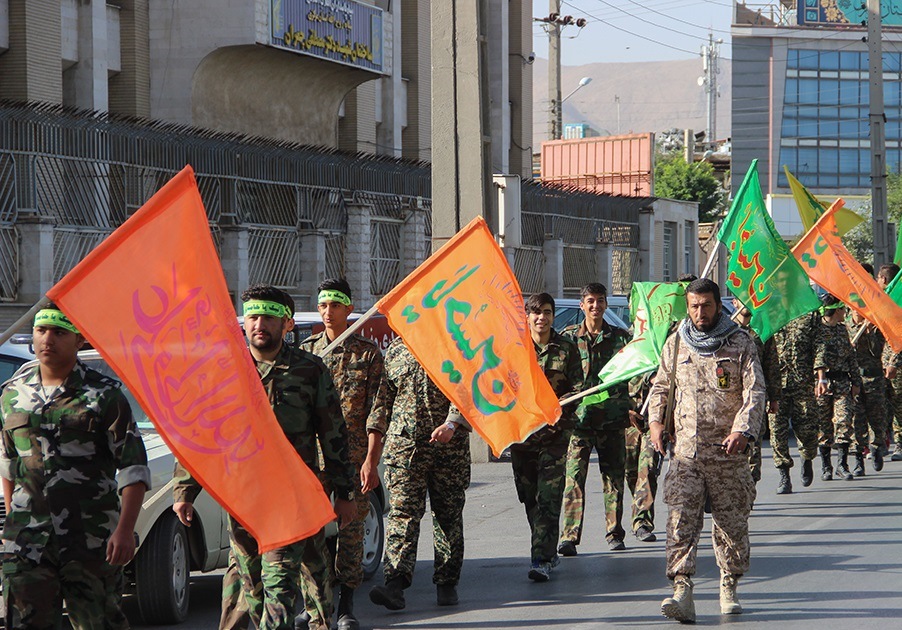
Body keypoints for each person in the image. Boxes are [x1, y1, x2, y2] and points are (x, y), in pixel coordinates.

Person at [172, 285, 357, 630]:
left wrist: (345, 494)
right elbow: (201, 436)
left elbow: (333, 433)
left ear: (285, 323)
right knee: (252, 590)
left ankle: (317, 618)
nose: (259, 324)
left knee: (279, 590)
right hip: (244, 502)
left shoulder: (308, 370)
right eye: (253, 317)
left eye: (268, 317)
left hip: (292, 500)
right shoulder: (225, 371)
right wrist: (185, 491)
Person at [0, 304, 151, 629]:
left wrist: (124, 531)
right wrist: (13, 526)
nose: (48, 339)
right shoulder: (13, 394)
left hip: (91, 541)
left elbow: (133, 469)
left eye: (59, 332)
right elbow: (8, 464)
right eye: (41, 331)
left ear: (79, 340)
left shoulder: (104, 396)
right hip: (28, 544)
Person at [648, 279, 764, 623]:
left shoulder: (740, 342)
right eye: (695, 306)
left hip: (728, 453)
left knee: (731, 524)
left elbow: (755, 391)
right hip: (685, 453)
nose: (700, 312)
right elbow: (660, 386)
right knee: (680, 521)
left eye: (707, 305)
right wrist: (655, 422)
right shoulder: (677, 343)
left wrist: (742, 430)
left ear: (718, 305)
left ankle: (729, 584)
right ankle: (682, 590)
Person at [296, 278, 385, 630]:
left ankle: (347, 604)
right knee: (312, 532)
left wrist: (371, 461)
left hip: (353, 456)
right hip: (313, 459)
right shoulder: (307, 353)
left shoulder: (367, 353)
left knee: (350, 532)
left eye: (335, 305)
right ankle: (317, 605)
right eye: (322, 305)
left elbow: (378, 411)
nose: (328, 312)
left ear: (349, 309)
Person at [368, 337, 470, 611]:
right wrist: (372, 452)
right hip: (404, 448)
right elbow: (382, 403)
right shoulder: (395, 351)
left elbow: (469, 390)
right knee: (402, 516)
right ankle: (395, 585)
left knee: (447, 514)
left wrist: (452, 423)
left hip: (449, 449)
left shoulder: (455, 346)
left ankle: (447, 582)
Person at [511, 294, 582, 582]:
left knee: (549, 498)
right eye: (536, 313)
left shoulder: (566, 348)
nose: (542, 318)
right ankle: (548, 548)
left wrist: (563, 404)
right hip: (523, 437)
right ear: (527, 316)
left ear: (553, 316)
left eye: (547, 313)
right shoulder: (515, 349)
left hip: (554, 435)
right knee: (530, 498)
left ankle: (540, 559)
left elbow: (579, 386)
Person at [558, 283, 632, 555]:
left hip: (612, 420)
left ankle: (614, 532)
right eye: (590, 301)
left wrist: (632, 406)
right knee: (573, 478)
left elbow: (633, 372)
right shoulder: (567, 338)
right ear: (582, 304)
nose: (595, 306)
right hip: (579, 421)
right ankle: (569, 536)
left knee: (613, 478)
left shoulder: (620, 338)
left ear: (605, 305)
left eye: (600, 301)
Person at [732, 299, 781, 489]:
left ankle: (749, 490)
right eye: (741, 298)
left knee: (752, 447)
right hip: (730, 400)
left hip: (754, 399)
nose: (746, 303)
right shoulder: (725, 331)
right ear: (734, 302)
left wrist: (775, 397)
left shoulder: (762, 330)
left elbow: (771, 364)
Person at [771, 298, 819, 491]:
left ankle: (807, 457)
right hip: (776, 383)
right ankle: (784, 474)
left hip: (803, 381)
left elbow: (820, 344)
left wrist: (821, 373)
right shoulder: (769, 312)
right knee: (777, 430)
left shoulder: (809, 311)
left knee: (807, 426)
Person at [813, 294, 860, 482]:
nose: (845, 313)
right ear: (836, 310)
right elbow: (817, 357)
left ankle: (842, 464)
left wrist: (856, 381)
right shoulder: (818, 331)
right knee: (824, 426)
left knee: (843, 421)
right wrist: (820, 379)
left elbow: (851, 357)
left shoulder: (842, 330)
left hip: (841, 382)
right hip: (822, 384)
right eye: (843, 309)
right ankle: (826, 466)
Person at [848, 309, 887, 474]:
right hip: (854, 380)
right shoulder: (845, 327)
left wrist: (870, 332)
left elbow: (878, 352)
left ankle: (877, 447)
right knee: (857, 419)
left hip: (874, 379)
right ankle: (858, 457)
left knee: (876, 417)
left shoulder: (877, 327)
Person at [625, 372, 659, 542]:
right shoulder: (624, 351)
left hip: (653, 422)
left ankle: (642, 522)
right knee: (631, 473)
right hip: (628, 421)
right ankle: (638, 509)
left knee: (648, 469)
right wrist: (624, 409)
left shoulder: (662, 351)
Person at [876, 264, 902, 461]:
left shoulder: (895, 305)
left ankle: (899, 443)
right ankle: (880, 441)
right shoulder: (880, 303)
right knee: (880, 404)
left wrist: (894, 362)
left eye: (878, 277)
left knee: (898, 403)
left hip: (895, 364)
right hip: (877, 364)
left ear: (884, 280)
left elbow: (899, 337)